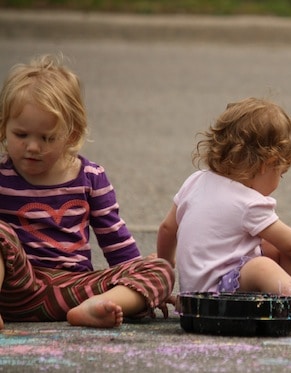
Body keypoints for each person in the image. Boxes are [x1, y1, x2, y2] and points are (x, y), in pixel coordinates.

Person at [0, 54, 175, 330]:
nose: (32, 147)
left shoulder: (90, 177)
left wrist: (143, 286)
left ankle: (98, 307)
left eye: (47, 138)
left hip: (73, 289)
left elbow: (115, 240)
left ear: (71, 134)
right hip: (15, 287)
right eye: (21, 135)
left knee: (160, 268)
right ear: (4, 127)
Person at [157, 97, 291, 331]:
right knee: (263, 265)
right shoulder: (249, 202)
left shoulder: (195, 181)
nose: (279, 181)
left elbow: (168, 228)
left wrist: (166, 264)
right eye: (281, 173)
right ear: (266, 164)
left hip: (193, 300)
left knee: (272, 247)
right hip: (220, 302)